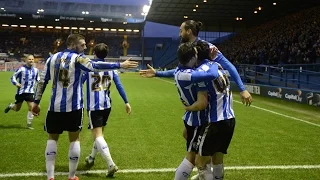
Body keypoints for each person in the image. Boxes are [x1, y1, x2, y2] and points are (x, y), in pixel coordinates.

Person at [31, 34, 137, 180]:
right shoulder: (78, 59)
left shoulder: (51, 59)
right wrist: (119, 65)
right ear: (73, 45)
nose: (85, 47)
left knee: (52, 138)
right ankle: (71, 176)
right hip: (75, 107)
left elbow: (42, 82)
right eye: (82, 45)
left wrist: (36, 102)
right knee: (74, 139)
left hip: (54, 107)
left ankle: (50, 177)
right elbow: (94, 66)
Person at [140, 20, 252, 106]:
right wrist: (158, 73)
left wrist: (242, 89)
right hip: (200, 96)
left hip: (215, 97)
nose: (179, 34)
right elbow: (181, 71)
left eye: (181, 31)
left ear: (188, 31)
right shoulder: (186, 49)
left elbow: (229, 66)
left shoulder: (206, 48)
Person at [82, 43, 131, 177]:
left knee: (97, 136)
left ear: (95, 54)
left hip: (94, 107)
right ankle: (91, 157)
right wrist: (126, 102)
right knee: (100, 135)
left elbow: (80, 82)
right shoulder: (111, 69)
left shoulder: (89, 67)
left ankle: (110, 164)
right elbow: (119, 86)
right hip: (107, 106)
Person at [4, 54, 40, 129]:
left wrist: (41, 83)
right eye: (29, 59)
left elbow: (38, 79)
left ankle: (29, 125)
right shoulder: (21, 69)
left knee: (31, 107)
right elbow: (13, 77)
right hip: (21, 92)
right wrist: (16, 83)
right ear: (26, 60)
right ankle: (11, 106)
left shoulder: (36, 70)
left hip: (30, 92)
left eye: (32, 59)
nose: (31, 60)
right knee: (17, 109)